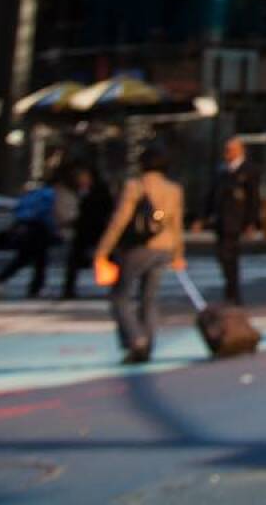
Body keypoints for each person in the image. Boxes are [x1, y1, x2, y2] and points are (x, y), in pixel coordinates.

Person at [93, 142, 185, 365]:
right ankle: (148, 342)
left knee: (120, 296)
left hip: (138, 247)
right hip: (163, 247)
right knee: (149, 298)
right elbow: (176, 223)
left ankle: (136, 340)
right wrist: (178, 254)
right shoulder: (174, 190)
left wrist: (103, 250)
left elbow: (120, 220)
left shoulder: (135, 186)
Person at [203, 136, 261, 305]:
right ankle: (231, 290)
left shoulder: (249, 171)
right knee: (223, 256)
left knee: (230, 256)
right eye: (227, 150)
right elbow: (212, 195)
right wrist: (204, 216)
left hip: (237, 219)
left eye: (231, 150)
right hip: (221, 219)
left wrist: (251, 222)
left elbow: (253, 198)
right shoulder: (221, 170)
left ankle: (233, 293)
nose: (227, 153)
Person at [0, 177, 59, 298]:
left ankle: (4, 279)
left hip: (27, 227)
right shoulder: (48, 194)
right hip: (39, 228)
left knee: (26, 258)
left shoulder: (30, 195)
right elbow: (46, 212)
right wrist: (54, 228)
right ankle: (36, 287)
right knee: (38, 260)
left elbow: (19, 210)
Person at [61, 163, 113, 300]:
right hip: (83, 230)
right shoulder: (76, 190)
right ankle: (68, 289)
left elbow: (106, 208)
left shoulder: (100, 190)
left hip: (98, 228)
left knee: (109, 258)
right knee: (74, 259)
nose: (80, 179)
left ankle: (115, 286)